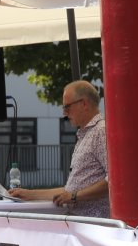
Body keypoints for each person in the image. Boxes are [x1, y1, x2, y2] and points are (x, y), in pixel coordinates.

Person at [9, 80, 109, 217]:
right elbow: (69, 191)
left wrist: (75, 196)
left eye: (67, 107)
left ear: (84, 104)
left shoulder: (100, 131)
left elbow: (114, 181)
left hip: (93, 224)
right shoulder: (87, 133)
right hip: (83, 222)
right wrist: (29, 194)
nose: (64, 113)